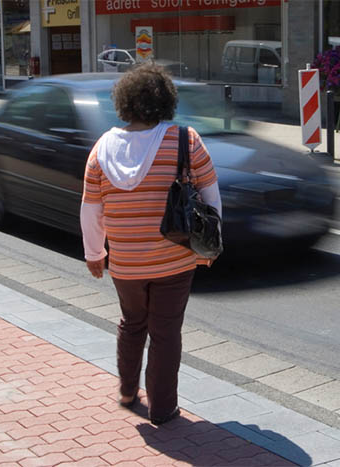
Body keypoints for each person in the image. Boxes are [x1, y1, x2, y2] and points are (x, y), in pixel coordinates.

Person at [80, 63, 221, 425]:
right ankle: (162, 407)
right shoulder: (186, 141)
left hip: (125, 263)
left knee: (131, 323)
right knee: (165, 331)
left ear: (123, 102)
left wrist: (95, 254)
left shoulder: (101, 150)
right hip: (174, 259)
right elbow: (211, 196)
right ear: (166, 102)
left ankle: (128, 391)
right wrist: (210, 247)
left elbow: (91, 210)